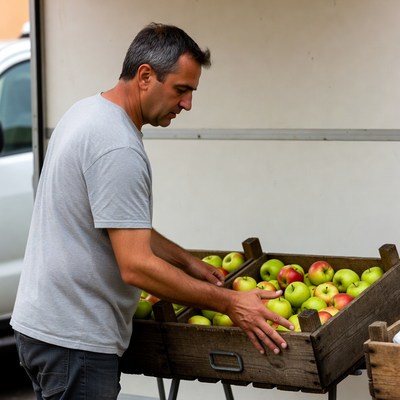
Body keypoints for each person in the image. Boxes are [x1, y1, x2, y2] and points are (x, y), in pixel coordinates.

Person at [11, 23, 293, 400]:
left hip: (44, 327)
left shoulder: (88, 113)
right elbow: (136, 265)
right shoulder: (118, 147)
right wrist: (231, 303)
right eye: (182, 89)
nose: (188, 104)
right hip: (75, 340)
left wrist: (186, 261)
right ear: (145, 76)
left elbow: (114, 220)